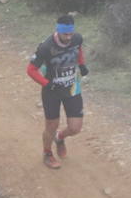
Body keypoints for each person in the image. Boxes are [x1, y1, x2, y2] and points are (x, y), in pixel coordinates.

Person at [26, 14, 89, 169]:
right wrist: (47, 84)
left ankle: (59, 138)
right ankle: (47, 153)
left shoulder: (76, 38)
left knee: (75, 128)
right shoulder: (46, 47)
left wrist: (81, 65)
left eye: (70, 33)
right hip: (52, 92)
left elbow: (78, 49)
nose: (68, 37)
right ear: (58, 31)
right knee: (51, 126)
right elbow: (31, 70)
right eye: (65, 34)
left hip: (72, 88)